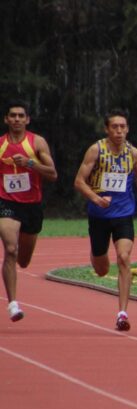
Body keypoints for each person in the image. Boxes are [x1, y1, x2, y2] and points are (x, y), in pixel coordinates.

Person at [74, 108, 137, 331]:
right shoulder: (96, 151)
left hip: (124, 214)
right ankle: (96, 254)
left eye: (123, 127)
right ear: (107, 129)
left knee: (124, 257)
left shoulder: (133, 153)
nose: (119, 131)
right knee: (101, 269)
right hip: (99, 215)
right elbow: (79, 181)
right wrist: (95, 199)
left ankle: (122, 313)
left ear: (127, 129)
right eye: (115, 127)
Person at [0, 100, 57, 321]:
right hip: (6, 203)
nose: (16, 119)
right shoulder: (1, 144)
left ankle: (15, 291)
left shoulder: (37, 142)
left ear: (27, 119)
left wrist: (29, 163)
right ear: (6, 119)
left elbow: (52, 174)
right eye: (12, 115)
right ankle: (13, 304)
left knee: (23, 260)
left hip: (32, 205)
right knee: (10, 250)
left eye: (20, 116)